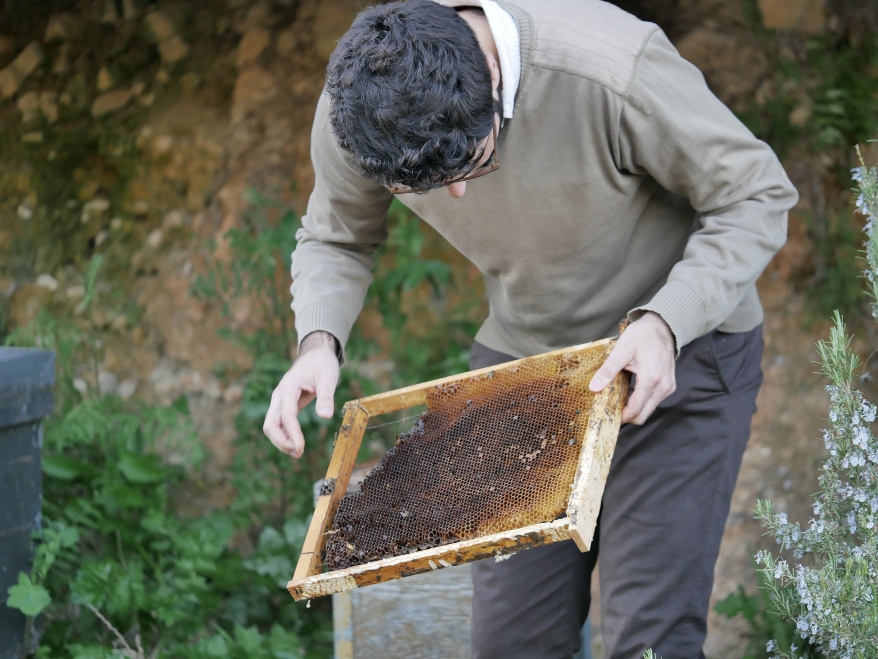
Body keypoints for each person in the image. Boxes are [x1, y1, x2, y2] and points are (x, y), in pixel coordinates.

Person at [262, 0, 799, 656]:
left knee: (646, 636)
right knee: (514, 640)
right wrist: (318, 340)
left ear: (491, 76)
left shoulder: (610, 68)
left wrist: (665, 320)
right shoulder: (364, 103)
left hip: (681, 354)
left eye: (474, 162)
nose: (457, 194)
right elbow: (337, 235)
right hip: (527, 369)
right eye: (427, 184)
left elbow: (756, 191)